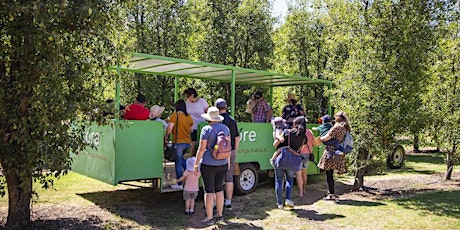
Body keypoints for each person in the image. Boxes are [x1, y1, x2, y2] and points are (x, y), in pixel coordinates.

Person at [194, 107, 230, 225]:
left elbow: (201, 148)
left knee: (208, 191)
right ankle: (220, 216)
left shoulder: (206, 129)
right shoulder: (225, 128)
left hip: (208, 164)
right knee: (219, 189)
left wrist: (196, 164)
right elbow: (227, 147)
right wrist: (228, 162)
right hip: (223, 163)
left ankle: (209, 218)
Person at [269, 116, 308, 209]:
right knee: (290, 180)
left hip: (281, 158)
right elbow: (299, 150)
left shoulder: (287, 132)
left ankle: (279, 203)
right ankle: (288, 199)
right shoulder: (304, 138)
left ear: (295, 123)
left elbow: (276, 144)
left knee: (278, 180)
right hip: (293, 161)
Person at [317, 111, 351, 201]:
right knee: (331, 173)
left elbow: (326, 138)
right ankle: (331, 193)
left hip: (331, 152)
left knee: (329, 174)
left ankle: (331, 194)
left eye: (335, 117)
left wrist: (319, 139)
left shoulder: (336, 127)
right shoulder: (345, 128)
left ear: (338, 118)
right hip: (339, 152)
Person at [215, 98, 240, 211]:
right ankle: (228, 202)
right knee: (229, 176)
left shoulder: (215, 120)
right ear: (226, 107)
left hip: (217, 152)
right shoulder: (232, 120)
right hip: (230, 151)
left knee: (216, 176)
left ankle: (215, 202)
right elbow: (237, 138)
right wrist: (235, 150)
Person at [165, 99, 194, 190]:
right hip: (187, 143)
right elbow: (191, 130)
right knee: (181, 159)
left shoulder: (174, 116)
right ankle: (191, 173)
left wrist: (166, 137)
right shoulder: (189, 117)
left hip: (178, 142)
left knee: (178, 162)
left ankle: (180, 183)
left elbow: (170, 128)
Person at [183, 88, 209, 156]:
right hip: (191, 127)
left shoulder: (202, 101)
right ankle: (191, 159)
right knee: (193, 144)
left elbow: (208, 112)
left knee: (198, 144)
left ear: (192, 95)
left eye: (188, 96)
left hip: (201, 127)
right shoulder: (187, 103)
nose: (187, 98)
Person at [296, 127, 315, 198]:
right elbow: (314, 143)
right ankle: (304, 189)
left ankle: (300, 192)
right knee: (304, 172)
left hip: (299, 154)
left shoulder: (298, 132)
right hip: (308, 154)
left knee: (299, 173)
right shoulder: (309, 132)